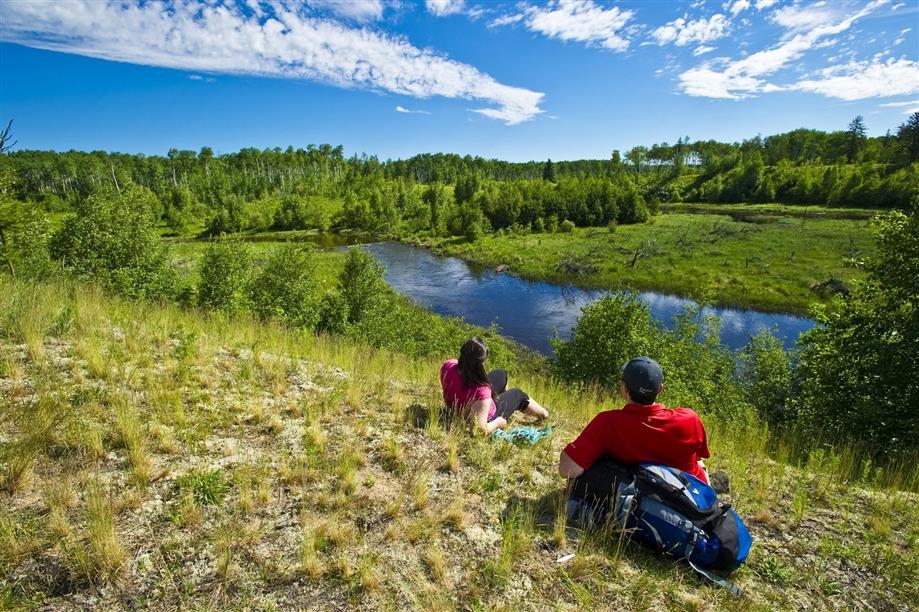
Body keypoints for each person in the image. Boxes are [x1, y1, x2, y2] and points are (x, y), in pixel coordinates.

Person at [558, 356, 710, 487]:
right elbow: (700, 456)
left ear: (624, 389)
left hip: (642, 498)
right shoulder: (690, 418)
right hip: (693, 501)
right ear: (660, 389)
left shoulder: (608, 422)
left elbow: (567, 470)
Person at [440, 337, 549, 434]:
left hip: (457, 407)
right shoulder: (481, 390)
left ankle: (503, 399)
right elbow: (478, 429)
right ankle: (544, 414)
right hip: (487, 416)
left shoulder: (448, 365)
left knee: (502, 374)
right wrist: (498, 423)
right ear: (480, 364)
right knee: (518, 394)